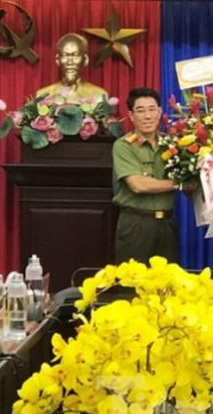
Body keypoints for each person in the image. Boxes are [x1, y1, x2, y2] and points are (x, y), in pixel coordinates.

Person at [112, 87, 177, 264]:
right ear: (131, 116)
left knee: (167, 279)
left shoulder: (171, 145)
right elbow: (138, 185)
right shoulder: (123, 146)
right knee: (132, 278)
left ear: (159, 112)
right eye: (140, 111)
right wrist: (179, 183)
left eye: (152, 109)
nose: (147, 116)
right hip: (136, 223)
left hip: (166, 223)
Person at [36, 33, 108, 103]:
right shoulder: (43, 96)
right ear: (57, 60)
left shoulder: (99, 96)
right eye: (65, 55)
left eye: (75, 55)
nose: (70, 62)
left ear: (85, 59)